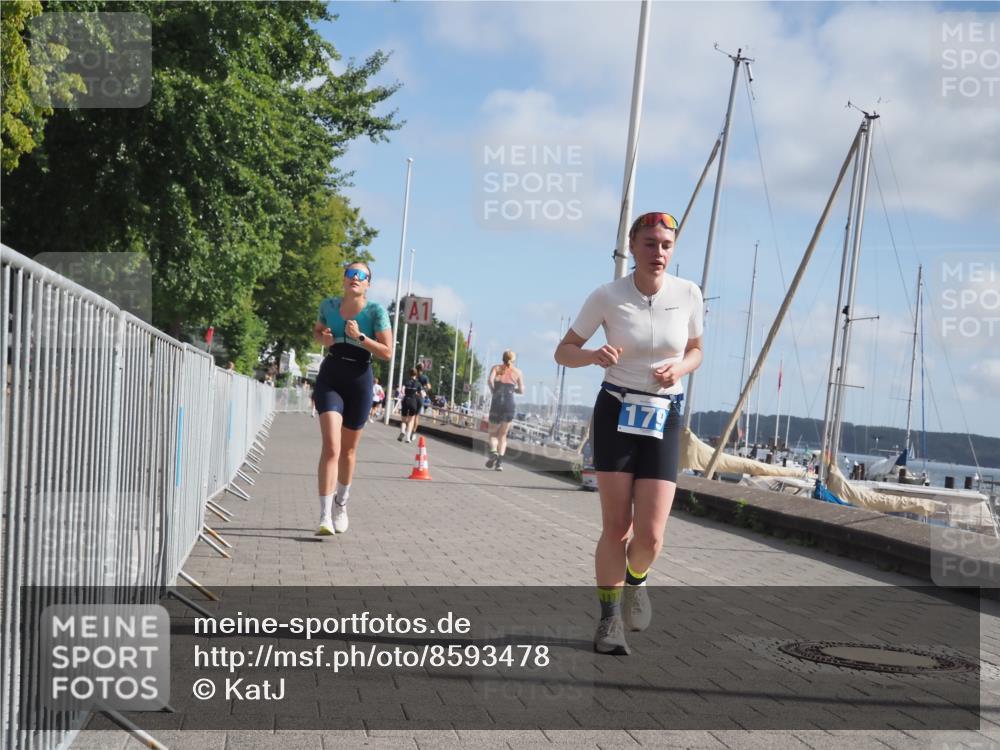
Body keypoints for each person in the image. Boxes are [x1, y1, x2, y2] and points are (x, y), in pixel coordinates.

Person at [554, 212, 703, 655]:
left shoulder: (688, 294)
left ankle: (637, 582)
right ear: (633, 245)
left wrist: (679, 367)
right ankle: (609, 621)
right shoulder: (607, 296)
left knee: (651, 536)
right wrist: (595, 354)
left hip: (664, 413)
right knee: (617, 526)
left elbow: (696, 351)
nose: (658, 253)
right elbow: (564, 351)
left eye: (666, 245)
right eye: (650, 243)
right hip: (617, 409)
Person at [312, 262, 393, 535]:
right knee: (331, 447)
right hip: (331, 374)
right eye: (351, 274)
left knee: (348, 451)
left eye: (362, 276)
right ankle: (324, 516)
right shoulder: (329, 305)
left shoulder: (376, 312)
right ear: (344, 279)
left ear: (368, 284)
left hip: (360, 377)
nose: (355, 279)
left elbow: (387, 352)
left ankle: (341, 503)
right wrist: (323, 340)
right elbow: (317, 331)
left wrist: (360, 337)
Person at [485, 351, 525, 471]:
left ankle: (493, 452)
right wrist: (513, 390)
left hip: (497, 402)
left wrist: (493, 391)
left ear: (502, 358)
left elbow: (489, 381)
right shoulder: (518, 372)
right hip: (509, 404)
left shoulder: (496, 368)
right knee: (503, 435)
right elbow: (522, 390)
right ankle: (499, 464)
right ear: (513, 360)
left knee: (493, 434)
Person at [398, 368, 423, 442]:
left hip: (405, 400)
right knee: (411, 421)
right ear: (416, 374)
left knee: (403, 420)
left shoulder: (406, 382)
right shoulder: (418, 383)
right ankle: (408, 438)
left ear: (409, 374)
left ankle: (402, 431)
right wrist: (417, 394)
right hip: (413, 402)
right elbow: (422, 394)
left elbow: (402, 391)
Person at [410, 363, 432, 439]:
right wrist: (423, 391)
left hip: (412, 397)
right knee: (417, 416)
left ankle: (408, 430)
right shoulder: (425, 377)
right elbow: (429, 387)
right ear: (423, 369)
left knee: (411, 415)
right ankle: (413, 433)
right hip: (420, 398)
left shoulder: (414, 376)